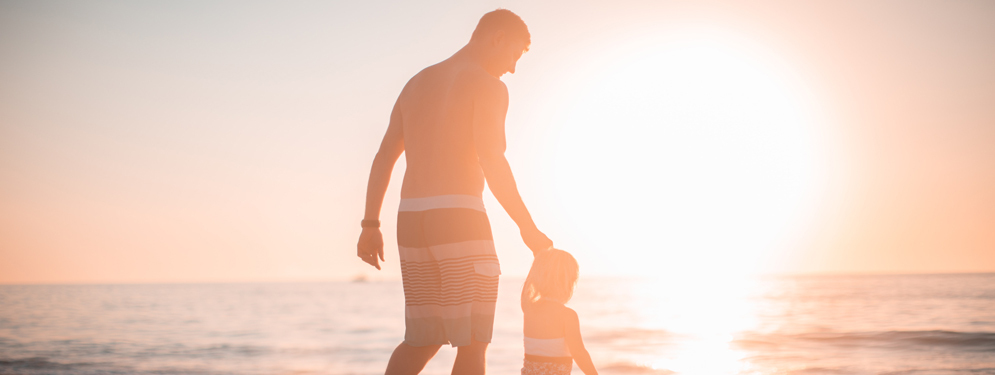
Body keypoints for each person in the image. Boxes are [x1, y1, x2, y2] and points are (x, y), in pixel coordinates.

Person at [356, 9, 554, 375]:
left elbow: (385, 155)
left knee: (421, 339)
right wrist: (527, 228)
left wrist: (370, 224)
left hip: (411, 221)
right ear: (496, 38)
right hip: (459, 219)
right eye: (515, 55)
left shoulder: (416, 83)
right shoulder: (488, 85)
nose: (512, 68)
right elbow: (492, 160)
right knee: (473, 341)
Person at [521, 249, 598, 375]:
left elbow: (526, 288)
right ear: (567, 282)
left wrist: (539, 256)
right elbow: (579, 353)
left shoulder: (529, 309)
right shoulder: (567, 315)